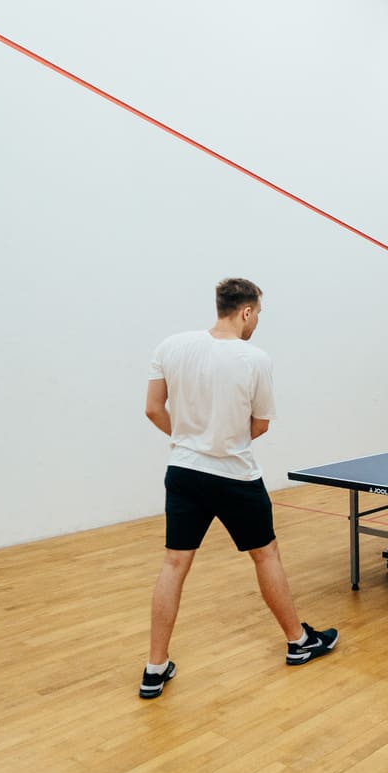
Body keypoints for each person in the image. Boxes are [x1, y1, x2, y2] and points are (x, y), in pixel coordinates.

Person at [139, 277, 338, 698]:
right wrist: (222, 439)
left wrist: (190, 439)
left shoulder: (170, 347)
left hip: (184, 472)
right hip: (234, 476)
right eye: (258, 315)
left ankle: (155, 668)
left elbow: (152, 409)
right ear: (246, 311)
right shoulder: (255, 358)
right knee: (265, 555)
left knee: (174, 565)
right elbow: (260, 425)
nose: (257, 322)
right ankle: (298, 642)